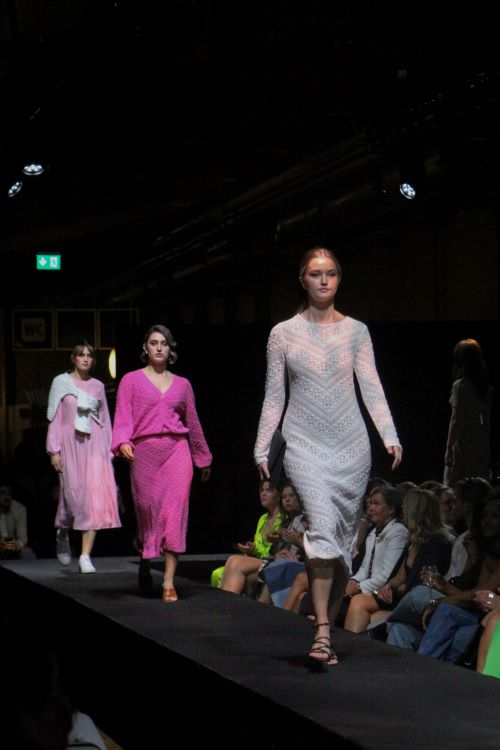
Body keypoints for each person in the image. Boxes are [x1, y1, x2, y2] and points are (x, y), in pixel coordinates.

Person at [254, 246, 402, 666]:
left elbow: (371, 386)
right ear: (302, 279)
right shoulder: (283, 333)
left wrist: (389, 433)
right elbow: (274, 395)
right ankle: (321, 629)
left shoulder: (356, 332)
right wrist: (262, 444)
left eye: (331, 273)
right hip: (303, 444)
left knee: (340, 546)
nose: (324, 280)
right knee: (320, 528)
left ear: (339, 279)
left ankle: (327, 630)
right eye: (316, 273)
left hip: (351, 447)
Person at [112, 324, 212, 602]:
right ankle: (145, 559)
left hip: (176, 452)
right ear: (145, 348)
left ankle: (168, 580)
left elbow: (193, 422)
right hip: (144, 453)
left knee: (175, 512)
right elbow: (122, 415)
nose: (159, 347)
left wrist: (202, 458)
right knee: (148, 513)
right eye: (154, 343)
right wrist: (122, 441)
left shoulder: (183, 384)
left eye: (164, 343)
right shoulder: (131, 380)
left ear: (171, 350)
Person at [46, 341, 120, 573]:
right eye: (81, 355)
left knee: (93, 500)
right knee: (73, 499)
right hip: (70, 445)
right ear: (73, 358)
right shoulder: (61, 383)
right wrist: (54, 451)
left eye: (89, 355)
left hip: (94, 445)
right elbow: (55, 418)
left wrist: (110, 449)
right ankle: (63, 530)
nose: (86, 359)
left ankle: (85, 556)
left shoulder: (98, 386)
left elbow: (104, 419)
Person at [345, 487, 454, 633]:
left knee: (363, 609)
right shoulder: (413, 541)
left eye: (406, 507)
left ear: (416, 512)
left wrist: (397, 588)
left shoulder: (437, 543)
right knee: (363, 612)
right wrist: (389, 586)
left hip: (420, 600)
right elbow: (400, 576)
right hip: (402, 597)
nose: (403, 511)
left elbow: (424, 584)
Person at [212, 479, 283, 594]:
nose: (263, 494)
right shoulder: (263, 518)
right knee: (217, 573)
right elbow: (258, 546)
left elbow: (273, 550)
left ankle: (227, 601)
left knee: (235, 561)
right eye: (261, 490)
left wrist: (257, 549)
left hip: (271, 561)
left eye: (268, 490)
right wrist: (251, 549)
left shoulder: (283, 518)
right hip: (258, 560)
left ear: (278, 494)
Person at [444, 338, 491, 486]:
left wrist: (448, 450)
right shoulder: (484, 388)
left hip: (463, 444)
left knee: (454, 484)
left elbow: (455, 420)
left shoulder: (461, 386)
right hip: (480, 444)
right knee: (477, 486)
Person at [0, 481, 36, 559]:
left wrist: (15, 545)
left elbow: (23, 537)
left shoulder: (19, 508)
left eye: (9, 493)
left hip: (14, 548)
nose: (7, 496)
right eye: (2, 493)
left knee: (27, 552)